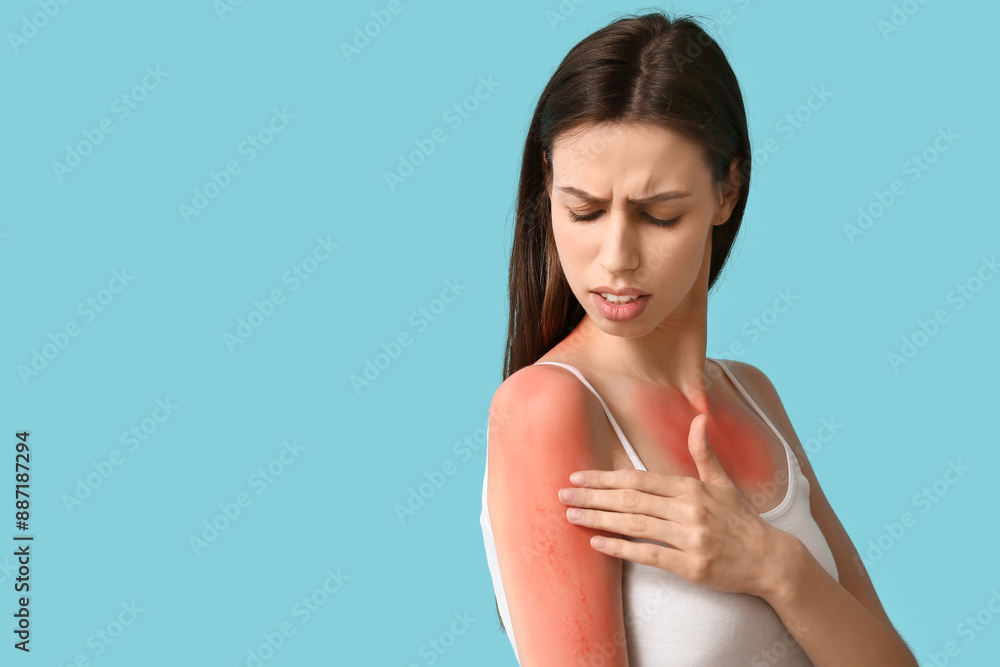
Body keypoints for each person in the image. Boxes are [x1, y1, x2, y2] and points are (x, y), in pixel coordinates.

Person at [478, 10, 919, 666]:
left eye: (660, 215)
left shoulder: (753, 392)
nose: (616, 258)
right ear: (547, 188)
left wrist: (775, 567)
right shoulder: (548, 408)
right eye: (585, 211)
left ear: (727, 191)